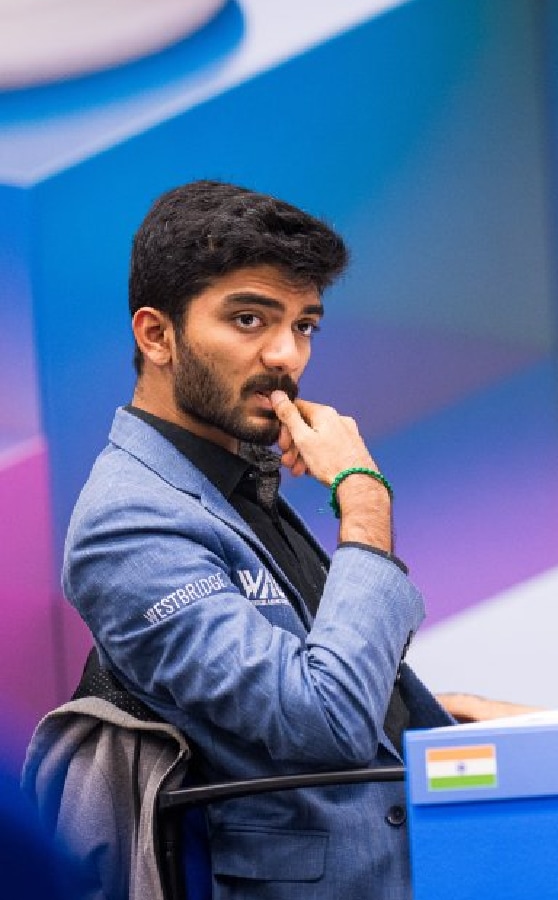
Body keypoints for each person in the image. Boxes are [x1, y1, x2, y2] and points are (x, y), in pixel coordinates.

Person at [48, 180, 527, 898]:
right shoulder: (126, 523)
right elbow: (325, 722)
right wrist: (363, 497)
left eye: (305, 325)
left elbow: (344, 694)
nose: (287, 356)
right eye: (249, 319)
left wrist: (454, 730)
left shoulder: (235, 479)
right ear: (157, 335)